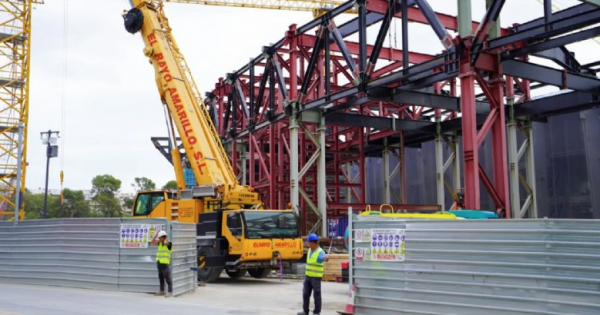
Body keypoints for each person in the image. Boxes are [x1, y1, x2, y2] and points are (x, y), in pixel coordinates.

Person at [298, 233, 329, 315]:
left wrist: (326, 258)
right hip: (308, 277)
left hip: (316, 278)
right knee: (305, 294)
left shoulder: (320, 252)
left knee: (317, 295)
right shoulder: (309, 250)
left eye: (309, 242)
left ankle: (316, 312)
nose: (308, 243)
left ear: (313, 242)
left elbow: (324, 257)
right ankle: (305, 311)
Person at [152, 230, 173, 297]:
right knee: (161, 278)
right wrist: (156, 234)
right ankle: (162, 291)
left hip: (165, 264)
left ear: (164, 237)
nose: (159, 239)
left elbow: (166, 243)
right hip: (159, 263)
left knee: (167, 278)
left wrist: (166, 236)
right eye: (159, 237)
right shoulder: (159, 243)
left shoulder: (169, 244)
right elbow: (152, 242)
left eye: (160, 237)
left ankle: (170, 292)